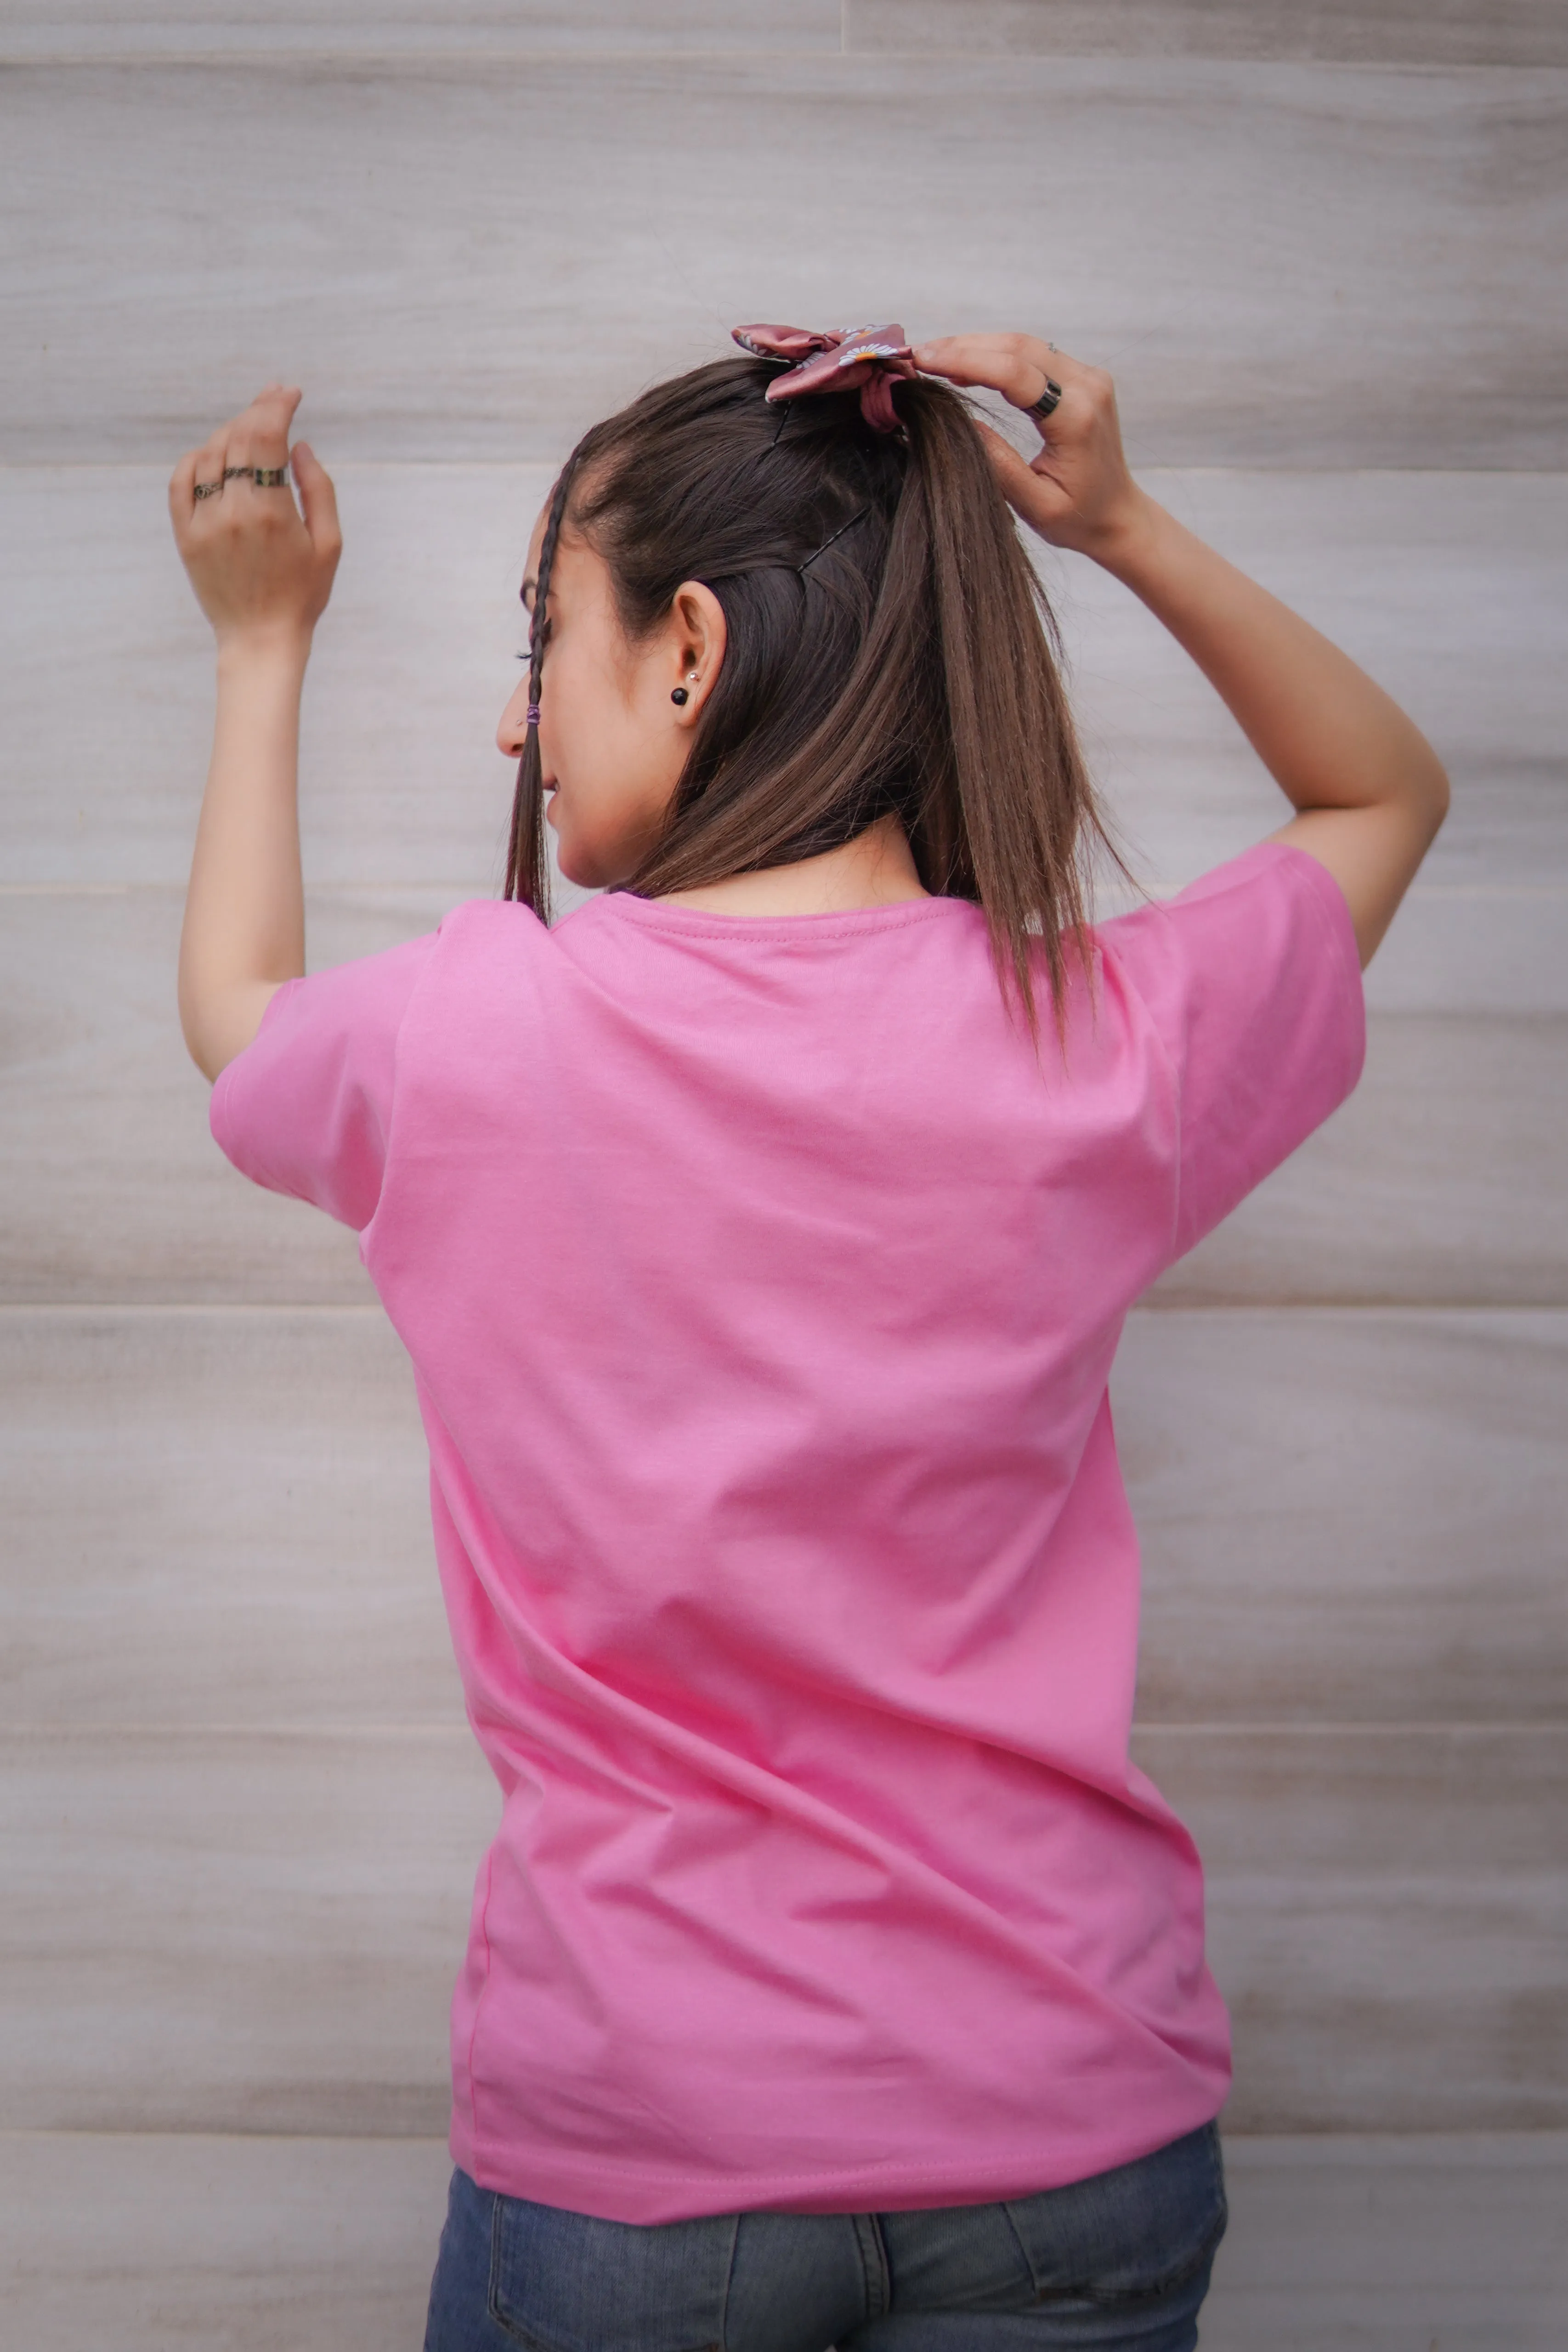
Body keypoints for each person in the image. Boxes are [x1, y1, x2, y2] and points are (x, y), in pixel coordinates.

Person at [168, 325, 1448, 2352]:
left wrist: (259, 649)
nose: (528, 729)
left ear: (687, 646)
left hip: (641, 2152)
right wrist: (1119, 527)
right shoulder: (1098, 1035)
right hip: (1070, 2132)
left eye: (544, 642)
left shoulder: (468, 1036)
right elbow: (1382, 788)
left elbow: (239, 1007)